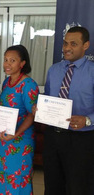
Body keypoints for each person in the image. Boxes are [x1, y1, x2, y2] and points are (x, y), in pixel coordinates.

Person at [41, 26, 94, 195]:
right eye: (65, 43)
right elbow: (49, 96)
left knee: (78, 187)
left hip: (82, 139)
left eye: (73, 44)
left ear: (86, 45)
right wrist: (40, 107)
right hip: (53, 137)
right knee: (52, 185)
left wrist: (87, 120)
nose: (66, 48)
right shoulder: (54, 70)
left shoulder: (92, 71)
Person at [0, 45, 39, 194]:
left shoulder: (29, 85)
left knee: (18, 179)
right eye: (6, 60)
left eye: (12, 60)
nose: (7, 64)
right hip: (4, 140)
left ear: (22, 63)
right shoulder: (7, 82)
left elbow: (32, 115)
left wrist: (17, 133)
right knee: (2, 176)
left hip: (21, 140)